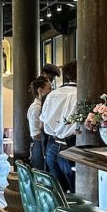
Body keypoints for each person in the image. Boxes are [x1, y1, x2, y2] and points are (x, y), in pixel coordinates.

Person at [40, 60, 78, 192]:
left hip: (52, 145)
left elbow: (44, 120)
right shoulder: (81, 94)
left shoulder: (52, 94)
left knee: (58, 192)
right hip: (71, 146)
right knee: (75, 191)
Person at [27, 74, 52, 171]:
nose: (51, 91)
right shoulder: (36, 108)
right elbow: (35, 134)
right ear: (40, 90)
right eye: (49, 89)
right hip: (40, 148)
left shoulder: (42, 106)